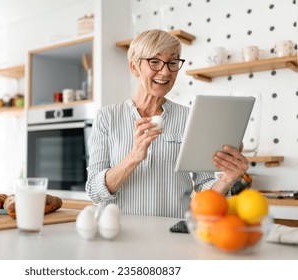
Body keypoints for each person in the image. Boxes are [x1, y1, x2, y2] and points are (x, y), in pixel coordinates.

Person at [85, 29, 248, 218]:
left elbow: (205, 191)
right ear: (134, 67)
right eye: (154, 62)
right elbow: (94, 193)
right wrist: (134, 157)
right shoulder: (107, 117)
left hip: (173, 234)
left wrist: (227, 179)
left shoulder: (189, 118)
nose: (165, 71)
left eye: (172, 62)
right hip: (118, 233)